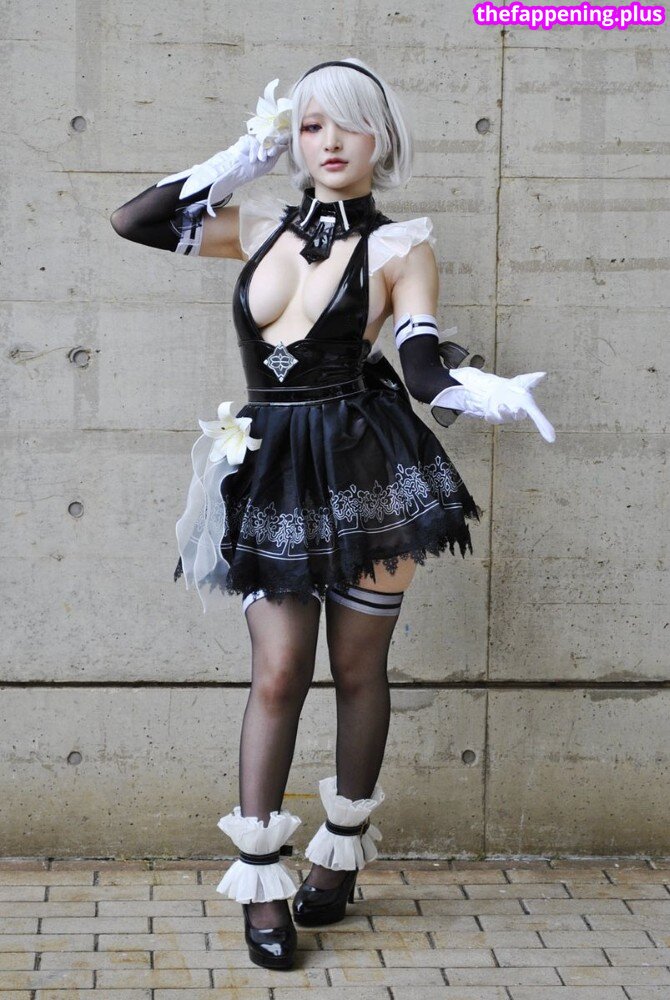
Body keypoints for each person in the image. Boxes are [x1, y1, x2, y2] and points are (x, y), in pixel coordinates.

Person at [110, 57, 554, 971]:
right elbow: (137, 220)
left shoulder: (402, 248)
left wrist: (478, 390)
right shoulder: (256, 227)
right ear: (294, 139)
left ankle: (338, 857)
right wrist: (246, 155)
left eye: (349, 124)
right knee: (278, 673)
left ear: (380, 139)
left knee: (357, 669)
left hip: (366, 472)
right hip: (271, 469)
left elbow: (419, 365)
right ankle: (261, 879)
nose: (330, 142)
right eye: (310, 125)